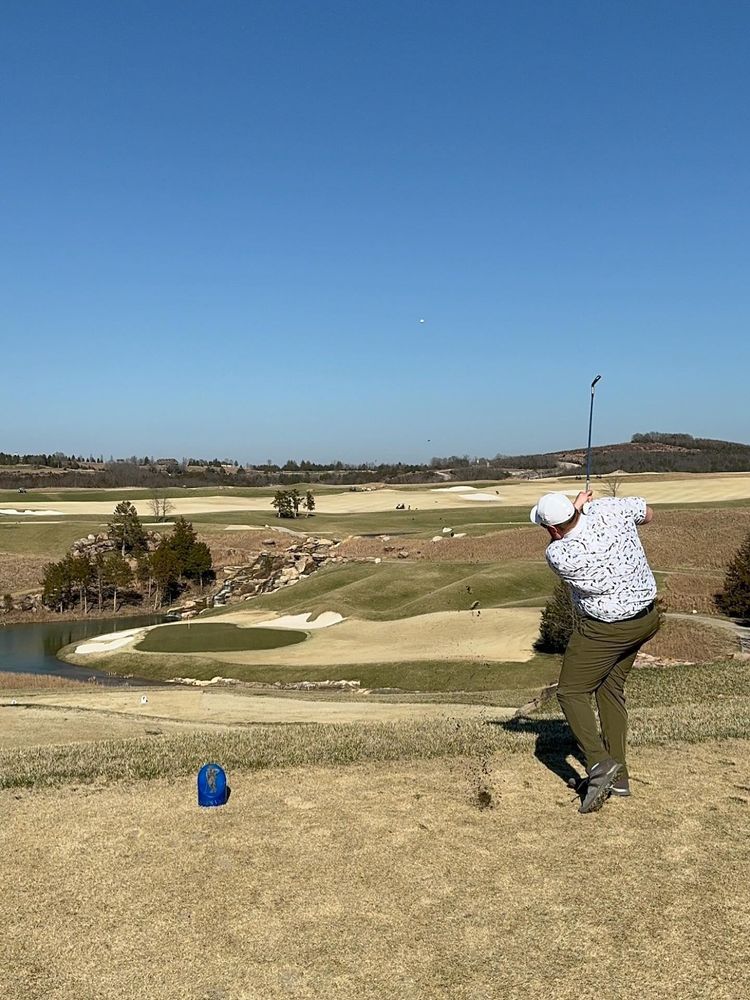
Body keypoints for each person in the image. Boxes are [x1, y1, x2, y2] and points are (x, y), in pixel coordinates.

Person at [530, 489, 659, 813]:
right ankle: (620, 779)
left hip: (606, 628)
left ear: (552, 529)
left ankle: (600, 765)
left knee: (571, 693)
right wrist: (589, 507)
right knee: (609, 689)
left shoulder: (558, 554)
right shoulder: (609, 508)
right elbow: (648, 514)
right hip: (646, 618)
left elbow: (562, 538)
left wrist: (576, 509)